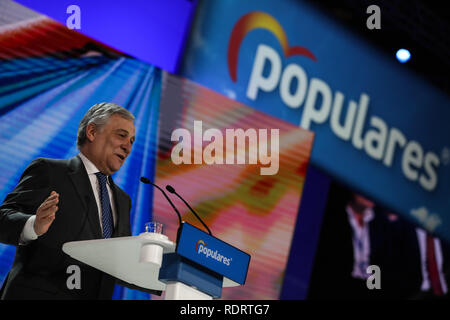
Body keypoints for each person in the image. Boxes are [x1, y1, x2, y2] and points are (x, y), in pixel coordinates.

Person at [0, 102, 136, 300]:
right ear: (92, 132)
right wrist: (33, 225)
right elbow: (2, 218)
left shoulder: (123, 200)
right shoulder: (50, 171)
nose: (128, 146)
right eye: (121, 135)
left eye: (132, 141)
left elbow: (119, 263)